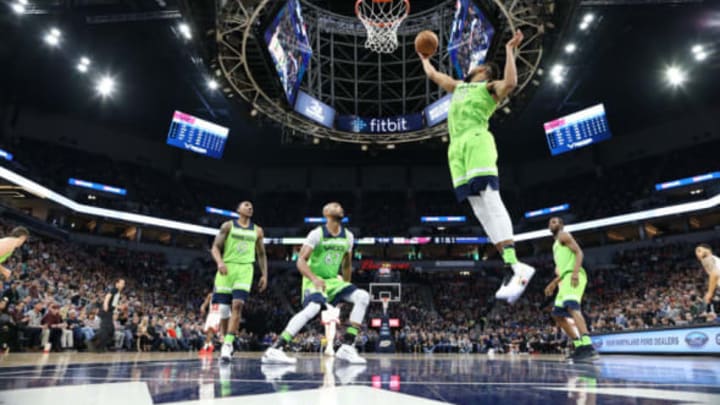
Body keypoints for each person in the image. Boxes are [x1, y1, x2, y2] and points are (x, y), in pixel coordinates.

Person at [418, 30, 534, 303]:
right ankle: (510, 266)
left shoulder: (489, 88)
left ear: (484, 72)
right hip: (456, 149)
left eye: (478, 65)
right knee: (479, 209)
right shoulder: (459, 86)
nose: (473, 66)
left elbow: (511, 82)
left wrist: (509, 50)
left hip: (477, 141)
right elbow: (434, 75)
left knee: (490, 199)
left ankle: (517, 262)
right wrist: (423, 57)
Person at [262, 202, 369, 365]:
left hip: (333, 282)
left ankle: (347, 346)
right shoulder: (317, 234)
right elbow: (300, 261)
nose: (339, 208)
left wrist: (344, 288)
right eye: (335, 206)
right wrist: (313, 278)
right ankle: (276, 348)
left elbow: (347, 265)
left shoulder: (348, 236)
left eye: (341, 206)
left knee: (362, 296)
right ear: (326, 213)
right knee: (313, 309)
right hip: (314, 280)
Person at [210, 201, 268, 362]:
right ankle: (225, 339)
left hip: (245, 270)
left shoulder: (258, 231)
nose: (250, 207)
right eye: (246, 205)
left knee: (237, 305)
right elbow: (215, 247)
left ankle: (228, 344)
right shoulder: (228, 226)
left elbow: (262, 254)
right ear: (238, 210)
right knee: (223, 310)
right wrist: (220, 262)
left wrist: (264, 275)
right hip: (227, 268)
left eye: (251, 206)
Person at [544, 217, 598, 362]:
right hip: (564, 279)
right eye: (550, 222)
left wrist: (575, 273)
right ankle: (579, 346)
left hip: (574, 275)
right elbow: (562, 270)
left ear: (561, 225)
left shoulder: (563, 235)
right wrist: (554, 283)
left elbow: (579, 253)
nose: (551, 224)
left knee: (572, 307)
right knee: (557, 315)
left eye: (555, 222)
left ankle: (588, 346)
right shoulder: (555, 245)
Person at [91, 278, 125, 352]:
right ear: (117, 283)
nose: (123, 285)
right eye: (122, 283)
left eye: (123, 283)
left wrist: (119, 307)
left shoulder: (118, 293)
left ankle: (98, 344)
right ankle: (94, 342)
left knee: (110, 330)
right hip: (106, 311)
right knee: (106, 330)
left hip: (109, 312)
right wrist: (105, 305)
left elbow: (113, 304)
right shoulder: (114, 289)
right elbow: (107, 296)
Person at [695, 244, 720, 313]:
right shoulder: (715, 259)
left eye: (699, 250)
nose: (697, 253)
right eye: (696, 252)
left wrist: (710, 293)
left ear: (708, 250)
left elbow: (715, 274)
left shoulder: (707, 259)